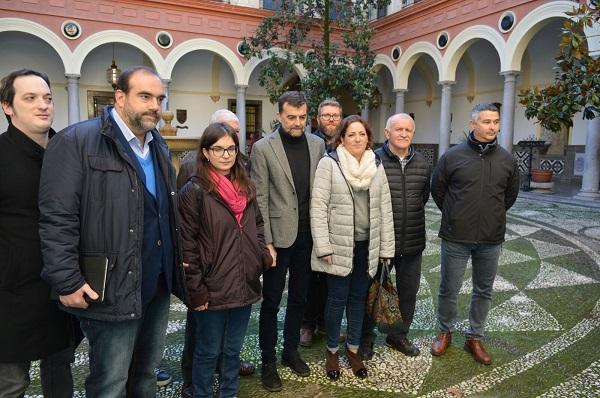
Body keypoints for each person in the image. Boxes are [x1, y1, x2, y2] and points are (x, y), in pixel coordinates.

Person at [38, 66, 188, 396]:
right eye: (145, 96)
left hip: (156, 283)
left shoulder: (158, 146)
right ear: (120, 97)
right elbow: (57, 217)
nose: (155, 106)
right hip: (110, 288)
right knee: (110, 383)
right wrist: (66, 280)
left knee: (146, 376)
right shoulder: (76, 141)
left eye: (159, 98)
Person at [178, 122, 272, 398]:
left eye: (230, 148)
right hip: (212, 287)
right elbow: (187, 247)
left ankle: (229, 394)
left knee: (232, 352)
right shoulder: (193, 192)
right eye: (218, 149)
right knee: (207, 352)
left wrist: (261, 256)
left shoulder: (246, 187)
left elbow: (257, 224)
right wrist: (196, 290)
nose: (225, 155)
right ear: (205, 152)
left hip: (243, 283)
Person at [0, 69, 77, 397]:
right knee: (12, 382)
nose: (42, 105)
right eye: (30, 98)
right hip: (10, 290)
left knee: (60, 369)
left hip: (59, 284)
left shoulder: (67, 152)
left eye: (47, 98)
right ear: (8, 107)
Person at [430, 103, 519, 365]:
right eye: (486, 121)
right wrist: (456, 214)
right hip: (456, 236)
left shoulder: (507, 160)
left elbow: (509, 196)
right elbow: (438, 190)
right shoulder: (452, 156)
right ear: (473, 124)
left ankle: (474, 338)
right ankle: (445, 332)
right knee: (449, 288)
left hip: (491, 238)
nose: (492, 126)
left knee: (484, 290)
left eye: (495, 121)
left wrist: (491, 215)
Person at [250, 91, 325, 392]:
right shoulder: (263, 148)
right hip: (278, 239)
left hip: (308, 236)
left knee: (299, 299)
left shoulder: (317, 144)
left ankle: (290, 351)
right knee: (270, 302)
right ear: (279, 115)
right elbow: (261, 197)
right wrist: (266, 241)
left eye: (302, 117)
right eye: (291, 117)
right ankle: (268, 361)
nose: (297, 123)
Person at [311, 114, 394, 380]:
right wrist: (322, 245)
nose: (357, 139)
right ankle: (332, 351)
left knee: (358, 300)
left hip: (366, 247)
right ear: (342, 138)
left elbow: (385, 209)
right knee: (336, 300)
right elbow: (318, 206)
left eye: (362, 134)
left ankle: (354, 349)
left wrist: (386, 250)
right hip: (336, 246)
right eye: (351, 135)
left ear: (368, 137)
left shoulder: (376, 164)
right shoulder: (329, 164)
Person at [360, 113, 431, 359]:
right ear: (387, 133)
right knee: (372, 291)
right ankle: (366, 338)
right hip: (380, 242)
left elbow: (424, 196)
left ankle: (398, 336)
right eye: (397, 129)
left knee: (408, 292)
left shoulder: (422, 162)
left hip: (412, 241)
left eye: (408, 130)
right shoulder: (374, 159)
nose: (403, 134)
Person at [300, 98, 343, 347]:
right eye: (326, 115)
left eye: (335, 115)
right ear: (317, 119)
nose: (331, 120)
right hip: (311, 218)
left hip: (338, 222)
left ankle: (327, 323)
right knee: (310, 275)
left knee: (332, 276)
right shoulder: (309, 143)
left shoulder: (345, 145)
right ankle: (307, 323)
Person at [177, 109, 246, 188]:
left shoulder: (244, 162)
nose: (234, 135)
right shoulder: (190, 166)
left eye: (236, 131)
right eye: (228, 129)